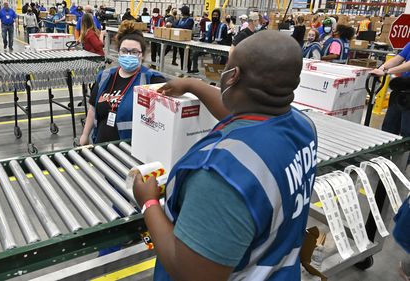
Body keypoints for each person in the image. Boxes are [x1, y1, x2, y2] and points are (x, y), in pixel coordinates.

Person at [133, 30, 317, 281]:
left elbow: (190, 273)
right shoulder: (303, 127)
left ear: (234, 76)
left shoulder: (221, 175)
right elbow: (239, 113)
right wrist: (190, 84)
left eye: (228, 67)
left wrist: (149, 203)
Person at [80, 21, 166, 145]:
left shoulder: (152, 80)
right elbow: (93, 108)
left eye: (134, 52)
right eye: (124, 51)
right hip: (100, 146)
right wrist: (85, 135)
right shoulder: (105, 76)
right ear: (118, 52)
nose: (128, 55)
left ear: (142, 55)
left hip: (130, 150)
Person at [370, 42, 410, 137]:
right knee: (389, 127)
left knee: (407, 131)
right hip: (402, 89)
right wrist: (382, 68)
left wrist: (387, 71)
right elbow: (398, 58)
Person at [173, 6, 194, 70]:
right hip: (180, 40)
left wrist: (176, 26)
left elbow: (185, 27)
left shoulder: (190, 20)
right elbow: (175, 25)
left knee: (187, 56)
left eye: (181, 11)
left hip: (187, 41)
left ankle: (188, 70)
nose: (181, 12)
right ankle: (182, 69)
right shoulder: (181, 19)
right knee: (182, 55)